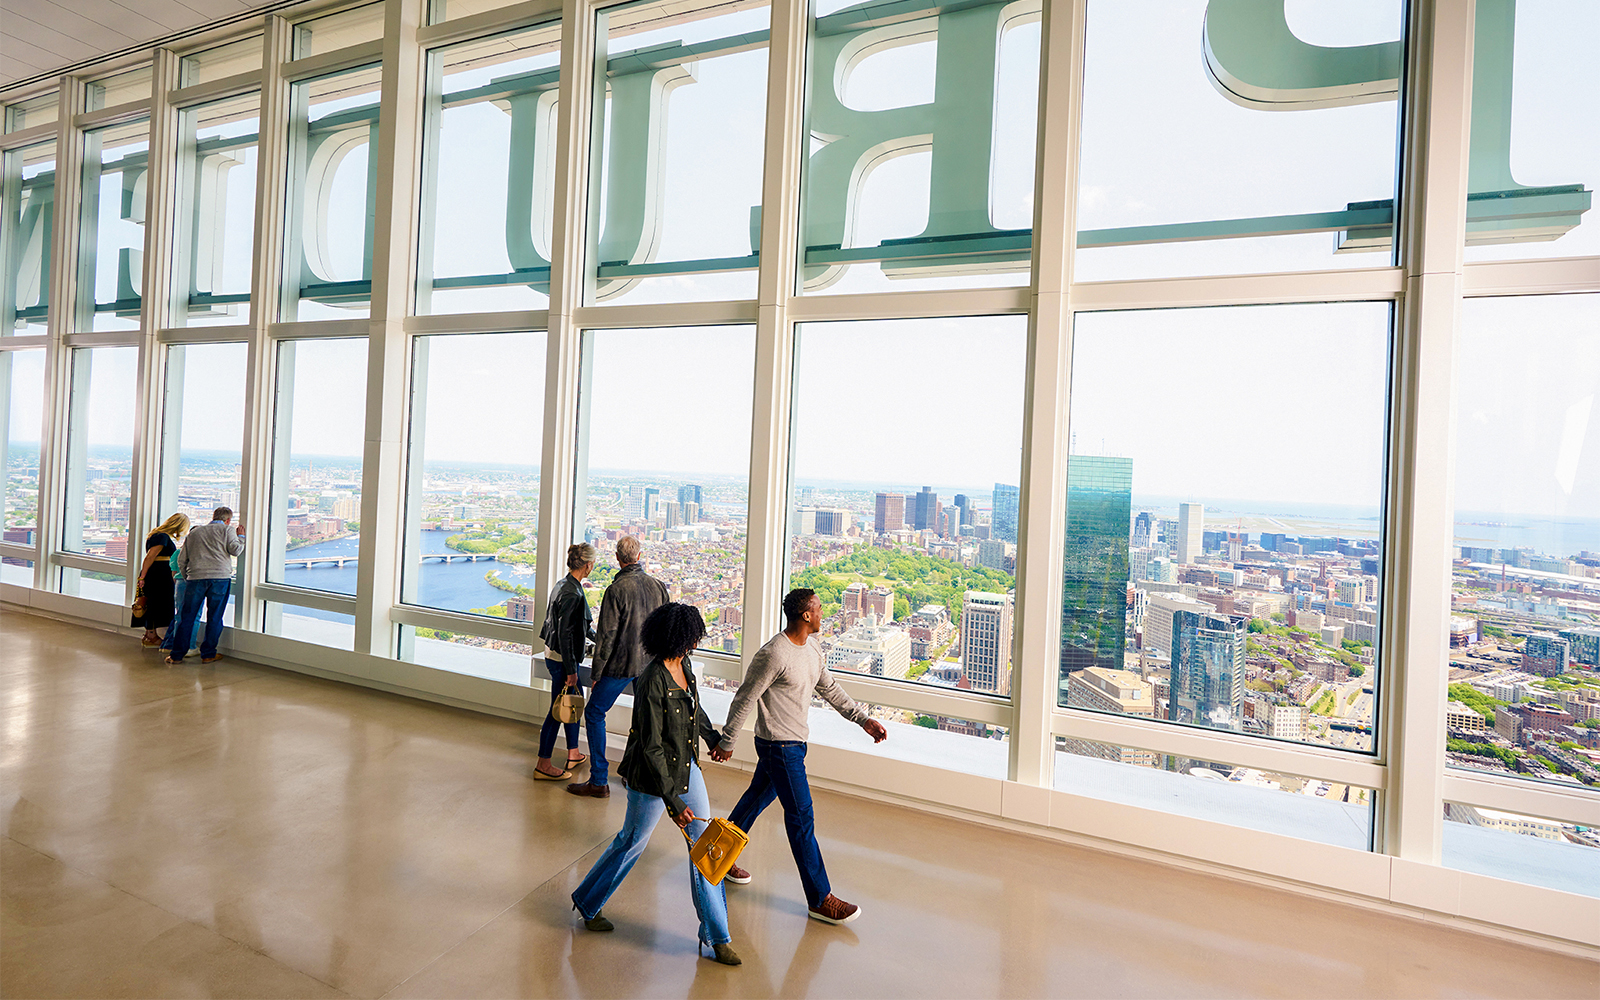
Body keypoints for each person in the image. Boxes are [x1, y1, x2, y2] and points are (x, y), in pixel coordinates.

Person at [570, 602, 742, 967]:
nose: (696, 641)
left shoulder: (686, 666)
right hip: (651, 777)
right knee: (631, 841)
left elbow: (694, 710)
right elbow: (650, 747)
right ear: (679, 638)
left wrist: (712, 738)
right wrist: (674, 803)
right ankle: (587, 901)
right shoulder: (651, 680)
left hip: (686, 767)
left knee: (706, 847)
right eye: (693, 635)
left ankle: (717, 935)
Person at [709, 587, 888, 925]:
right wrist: (728, 740)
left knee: (755, 800)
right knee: (801, 817)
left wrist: (862, 720)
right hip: (779, 747)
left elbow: (830, 688)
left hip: (793, 744)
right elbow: (745, 698)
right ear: (806, 615)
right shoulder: (774, 654)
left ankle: (715, 855)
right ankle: (820, 899)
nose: (824, 613)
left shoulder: (812, 649)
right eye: (819, 608)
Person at [567, 535, 669, 799]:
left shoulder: (616, 590)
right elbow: (665, 629)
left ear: (617, 558)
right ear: (639, 555)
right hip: (649, 664)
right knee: (643, 718)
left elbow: (607, 636)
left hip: (621, 665)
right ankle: (633, 775)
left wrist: (598, 673)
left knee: (594, 713)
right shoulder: (658, 586)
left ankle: (599, 780)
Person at [534, 542, 597, 780]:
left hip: (555, 656)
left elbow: (579, 626)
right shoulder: (573, 593)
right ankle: (543, 764)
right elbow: (566, 634)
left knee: (571, 704)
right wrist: (572, 670)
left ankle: (573, 753)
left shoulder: (565, 585)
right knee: (557, 710)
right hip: (563, 661)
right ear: (588, 565)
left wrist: (599, 639)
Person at [165, 507, 245, 665]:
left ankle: (176, 656)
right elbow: (235, 550)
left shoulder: (195, 532)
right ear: (228, 520)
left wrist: (188, 576)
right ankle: (208, 654)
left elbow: (182, 559)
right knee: (214, 616)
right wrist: (241, 536)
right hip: (220, 578)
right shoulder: (227, 530)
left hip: (196, 578)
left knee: (186, 617)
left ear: (213, 516)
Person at [132, 513, 188, 648]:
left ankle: (149, 635)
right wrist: (142, 576)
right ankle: (151, 635)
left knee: (151, 602)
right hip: (159, 575)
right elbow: (150, 557)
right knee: (154, 603)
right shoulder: (162, 537)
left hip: (157, 573)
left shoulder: (157, 535)